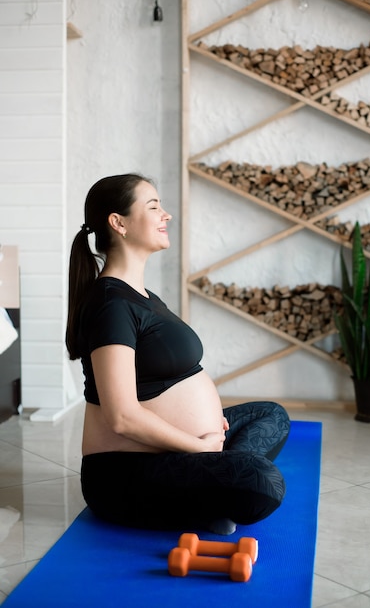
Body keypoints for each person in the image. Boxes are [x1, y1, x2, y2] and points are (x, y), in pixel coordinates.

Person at [66, 173, 290, 535]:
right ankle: (216, 487)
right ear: (118, 222)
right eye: (153, 206)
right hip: (124, 473)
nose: (165, 215)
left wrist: (207, 432)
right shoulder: (111, 304)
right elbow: (121, 416)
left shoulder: (144, 297)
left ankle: (212, 491)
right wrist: (197, 448)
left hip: (177, 451)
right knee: (263, 482)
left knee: (270, 415)